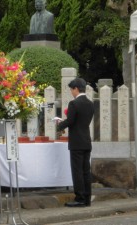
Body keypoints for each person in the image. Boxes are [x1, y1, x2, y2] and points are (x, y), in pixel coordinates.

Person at [57, 78, 94, 207]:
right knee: (85, 171)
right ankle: (87, 199)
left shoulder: (74, 104)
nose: (71, 92)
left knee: (77, 171)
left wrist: (59, 124)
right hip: (86, 140)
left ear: (76, 89)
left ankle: (79, 198)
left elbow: (70, 121)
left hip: (77, 142)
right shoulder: (90, 103)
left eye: (72, 89)